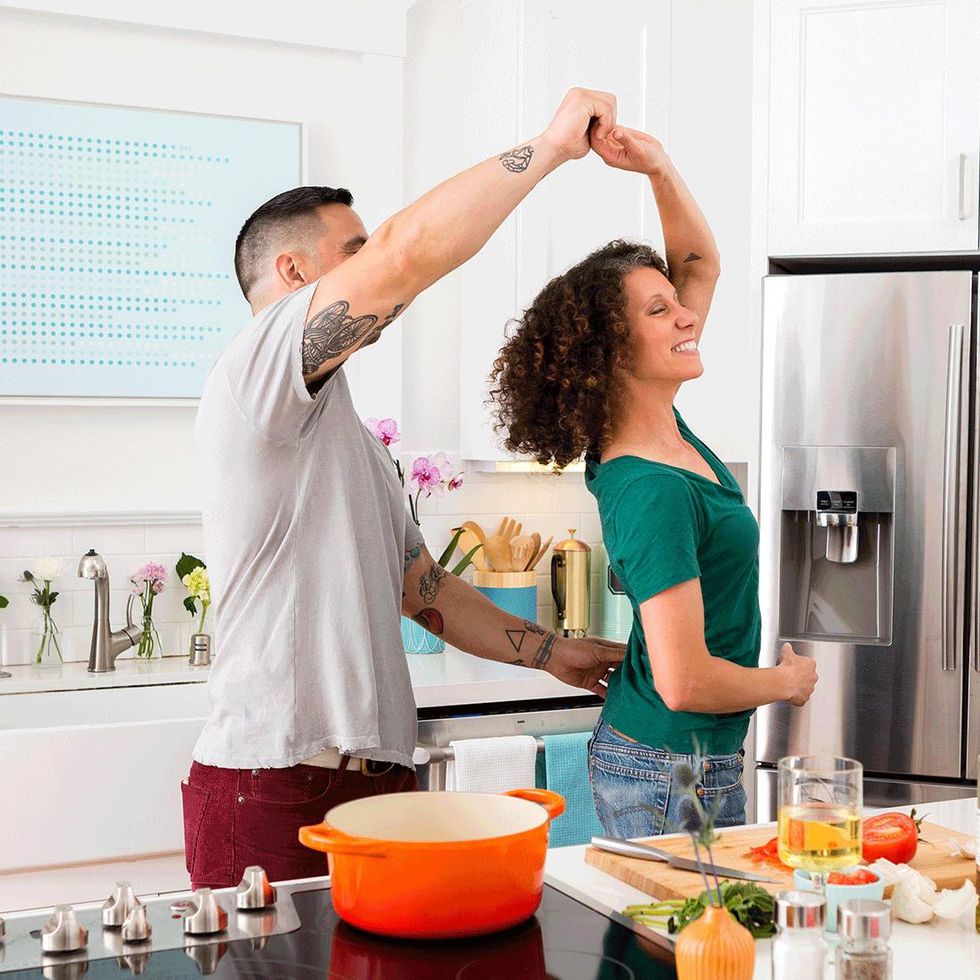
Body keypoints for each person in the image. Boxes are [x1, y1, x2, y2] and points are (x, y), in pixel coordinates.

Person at [182, 88, 627, 889]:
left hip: (376, 782)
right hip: (276, 785)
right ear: (294, 271)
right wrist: (551, 147)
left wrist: (555, 653)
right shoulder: (255, 371)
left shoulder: (345, 434)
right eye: (354, 249)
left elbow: (425, 592)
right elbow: (410, 251)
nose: (377, 264)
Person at [489, 125, 817, 838]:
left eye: (678, 301)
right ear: (611, 351)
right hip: (671, 774)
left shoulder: (663, 431)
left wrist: (658, 168)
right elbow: (684, 680)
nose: (688, 314)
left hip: (681, 763)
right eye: (659, 310)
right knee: (681, 947)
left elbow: (701, 260)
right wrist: (785, 685)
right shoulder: (652, 487)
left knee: (696, 942)